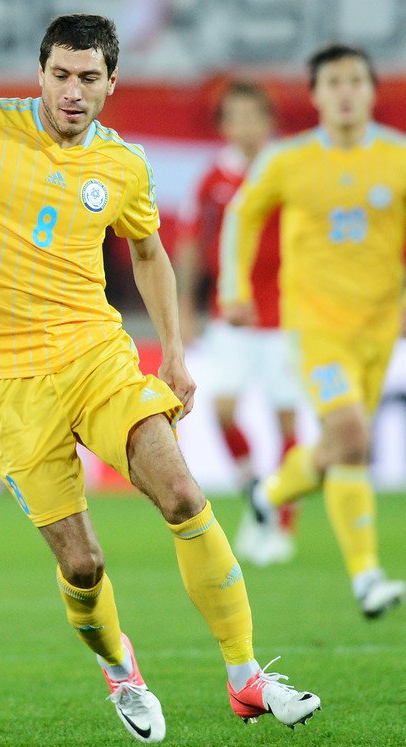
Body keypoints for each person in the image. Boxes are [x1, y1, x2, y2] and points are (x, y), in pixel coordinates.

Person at [0, 13, 320, 743]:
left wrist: (173, 353)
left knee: (182, 492)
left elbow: (148, 252)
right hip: (5, 381)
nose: (72, 91)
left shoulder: (122, 165)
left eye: (87, 78)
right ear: (40, 74)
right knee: (82, 565)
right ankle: (121, 672)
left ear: (111, 81)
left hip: (96, 356)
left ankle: (246, 677)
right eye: (60, 75)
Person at [219, 44, 406, 619]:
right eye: (334, 83)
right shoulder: (288, 160)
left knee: (346, 447)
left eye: (355, 81)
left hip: (379, 330)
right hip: (314, 327)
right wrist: (233, 288)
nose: (345, 92)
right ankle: (367, 575)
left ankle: (273, 494)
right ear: (316, 95)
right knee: (349, 432)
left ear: (371, 91)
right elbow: (242, 215)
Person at [175, 81, 300, 567]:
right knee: (223, 410)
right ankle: (258, 497)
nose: (245, 126)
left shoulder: (288, 171)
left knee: (285, 419)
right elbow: (190, 243)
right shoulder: (214, 179)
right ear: (224, 126)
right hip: (230, 312)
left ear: (269, 121)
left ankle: (282, 522)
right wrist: (185, 306)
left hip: (286, 314)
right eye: (236, 117)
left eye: (254, 116)